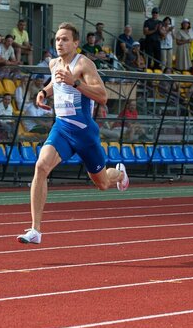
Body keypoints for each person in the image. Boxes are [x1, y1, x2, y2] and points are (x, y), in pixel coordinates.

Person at [17, 22, 129, 245]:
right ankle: (35, 230)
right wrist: (42, 92)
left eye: (65, 39)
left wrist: (75, 83)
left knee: (102, 184)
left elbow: (103, 96)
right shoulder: (53, 63)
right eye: (57, 39)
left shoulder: (84, 64)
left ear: (76, 43)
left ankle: (119, 174)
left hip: (85, 134)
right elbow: (55, 84)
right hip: (62, 129)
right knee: (41, 166)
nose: (60, 43)